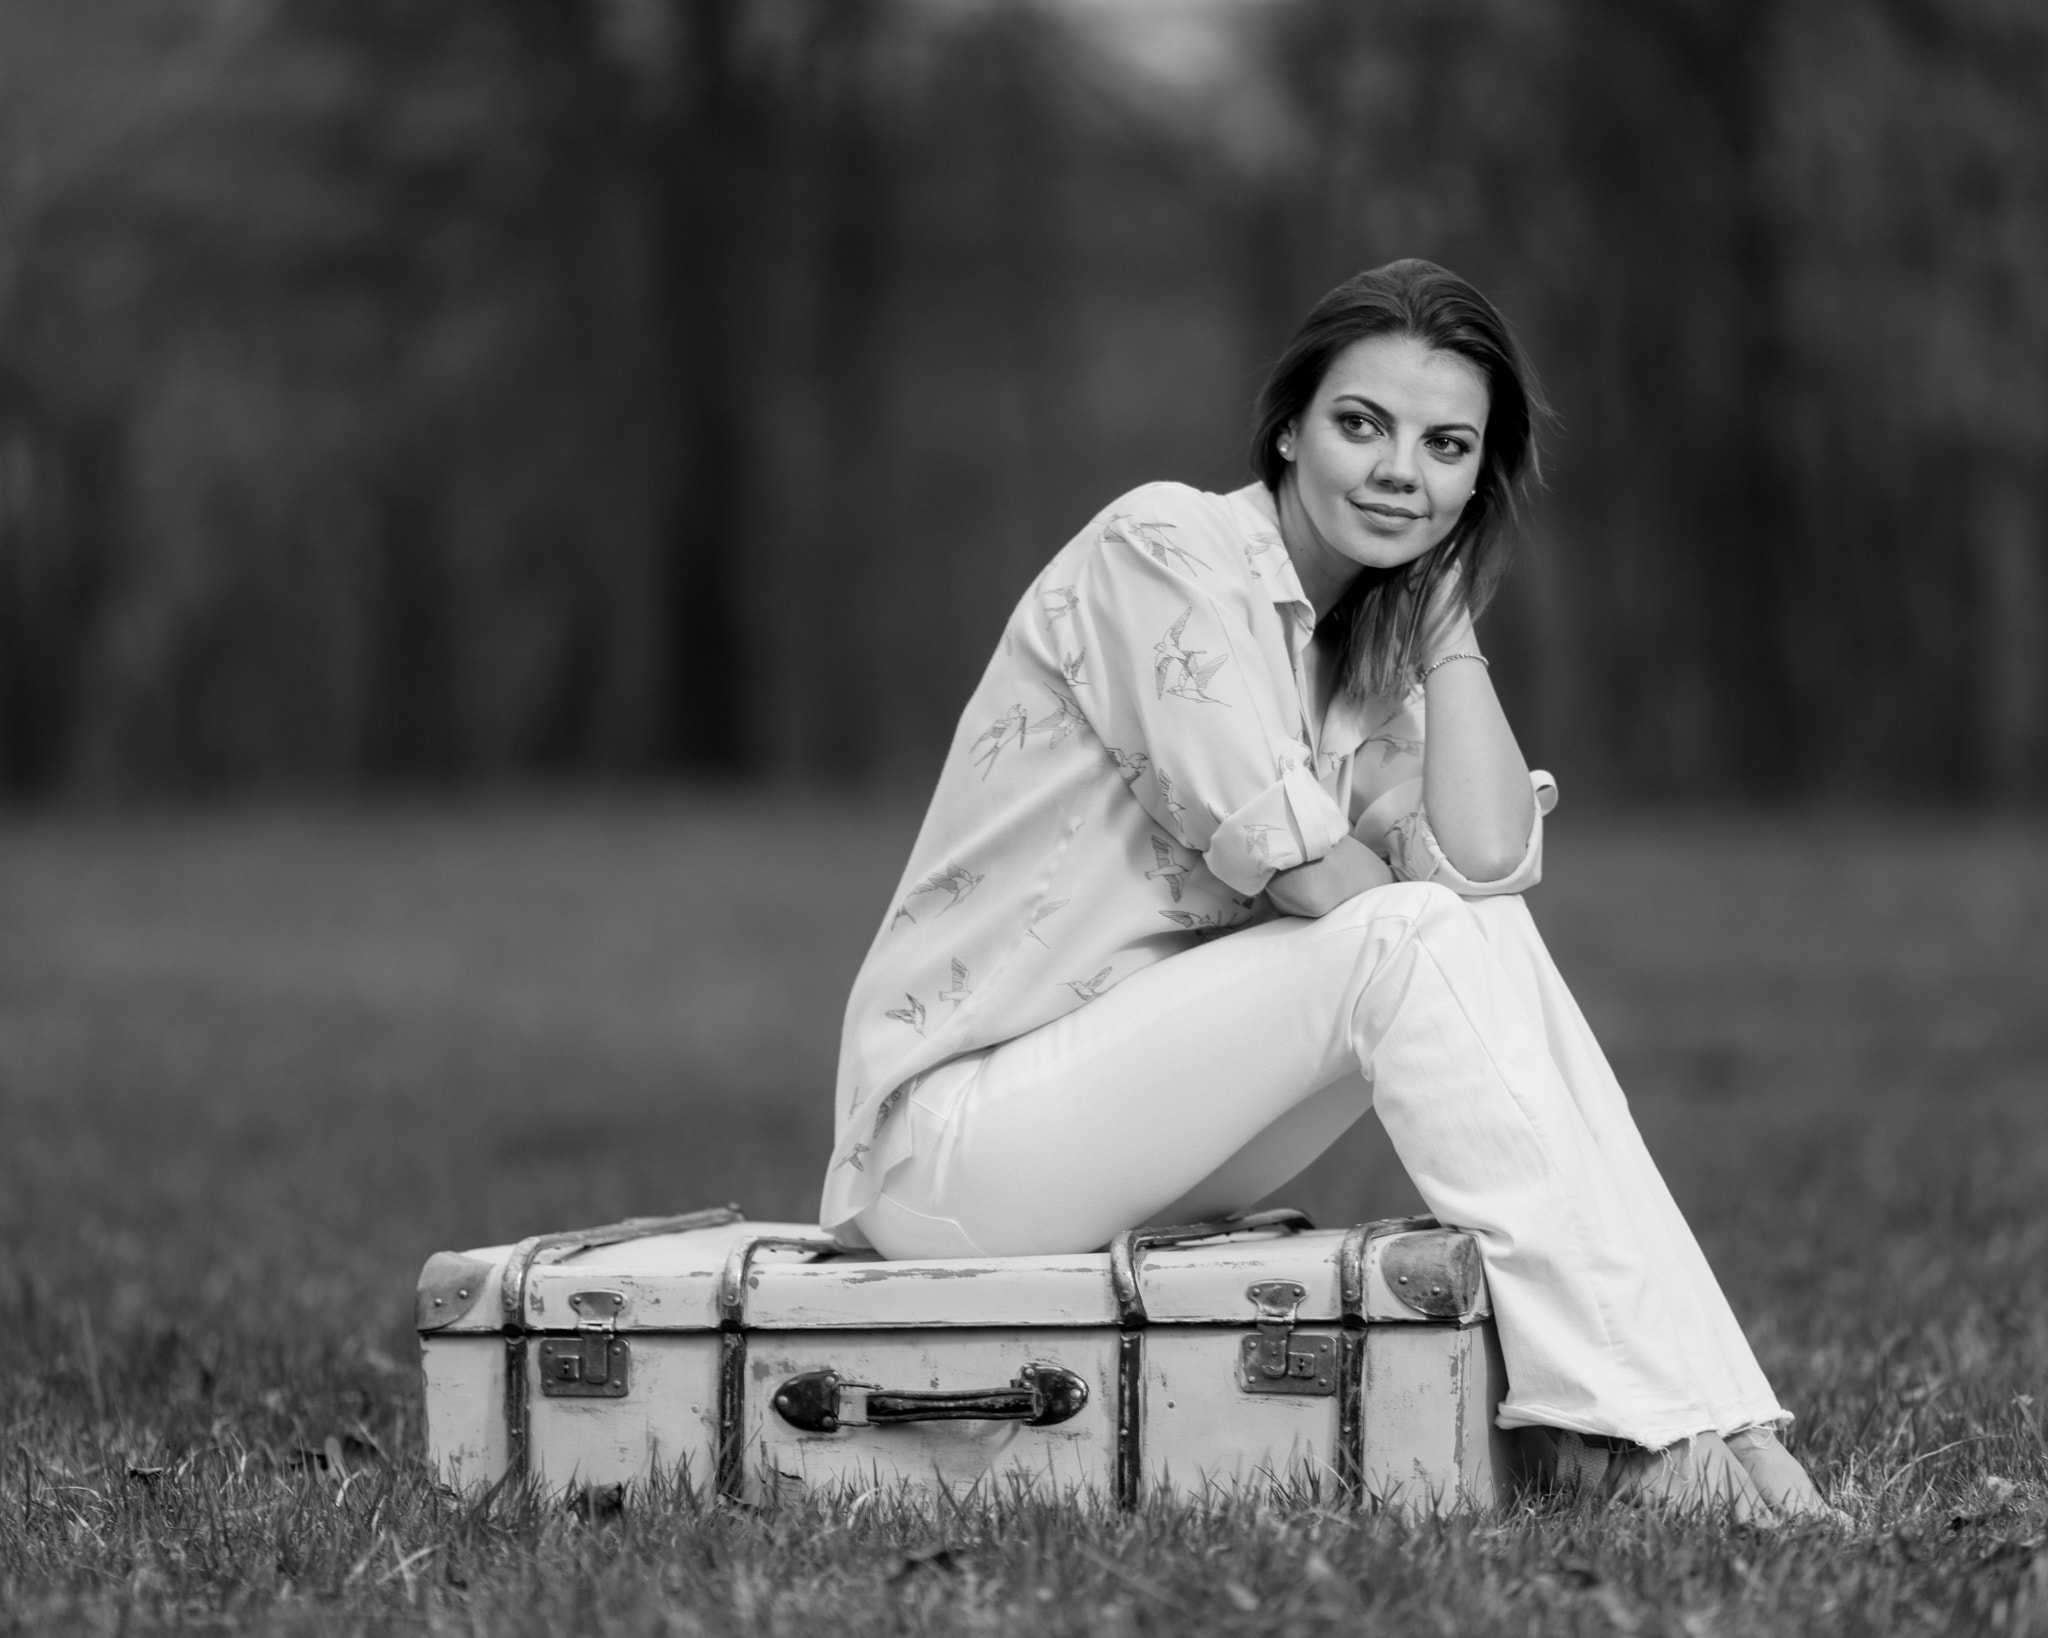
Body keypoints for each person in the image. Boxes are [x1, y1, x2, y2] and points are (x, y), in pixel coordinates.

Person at [818, 259, 1832, 1520]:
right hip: (957, 1155)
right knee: (1407, 934)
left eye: (1446, 446)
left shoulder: (1370, 652)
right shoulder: (1163, 549)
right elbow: (1310, 874)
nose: (1400, 469)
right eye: (1362, 425)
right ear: (1289, 428)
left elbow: (1483, 862)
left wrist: (1447, 622)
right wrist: (1417, 895)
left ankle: (1721, 1424)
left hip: (1141, 1153)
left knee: (1462, 925)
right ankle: (1632, 1434)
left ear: (1477, 479)